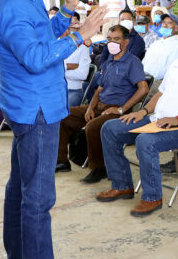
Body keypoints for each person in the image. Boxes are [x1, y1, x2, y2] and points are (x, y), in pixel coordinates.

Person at [0, 0, 106, 259]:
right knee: (37, 200)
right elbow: (37, 59)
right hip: (35, 108)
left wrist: (69, 13)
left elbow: (41, 38)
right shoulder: (14, 4)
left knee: (19, 189)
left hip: (25, 104)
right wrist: (83, 35)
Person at [97, 20, 178, 217]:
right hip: (156, 120)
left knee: (145, 141)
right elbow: (160, 93)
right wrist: (143, 112)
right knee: (110, 128)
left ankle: (152, 197)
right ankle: (122, 185)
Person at [57, 25, 149, 179]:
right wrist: (90, 108)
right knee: (63, 117)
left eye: (117, 39)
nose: (112, 42)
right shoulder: (108, 62)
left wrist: (121, 109)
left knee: (93, 127)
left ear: (126, 42)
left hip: (117, 110)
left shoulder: (132, 62)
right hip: (99, 106)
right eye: (110, 39)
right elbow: (99, 90)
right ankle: (61, 161)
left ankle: (99, 168)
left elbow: (143, 89)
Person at [62, 14, 91, 107]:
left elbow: (82, 74)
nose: (73, 27)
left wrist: (60, 69)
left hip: (73, 90)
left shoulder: (83, 47)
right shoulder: (56, 45)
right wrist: (68, 66)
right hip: (55, 88)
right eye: (70, 24)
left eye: (75, 24)